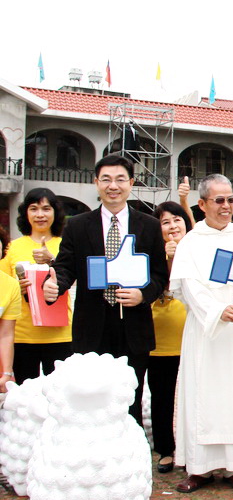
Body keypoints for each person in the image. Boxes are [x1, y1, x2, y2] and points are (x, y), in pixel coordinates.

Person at [44, 154, 169, 426]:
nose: (113, 186)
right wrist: (54, 284)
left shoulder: (148, 225)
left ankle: (130, 455)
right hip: (92, 325)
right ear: (96, 182)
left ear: (131, 183)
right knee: (93, 397)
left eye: (120, 179)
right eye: (106, 179)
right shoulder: (77, 225)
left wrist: (143, 294)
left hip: (133, 324)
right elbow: (65, 268)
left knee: (130, 396)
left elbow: (160, 274)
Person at [170, 174, 233, 493]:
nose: (226, 206)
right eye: (219, 200)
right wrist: (215, 311)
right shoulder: (191, 242)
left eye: (231, 200)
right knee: (204, 395)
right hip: (206, 333)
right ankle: (199, 467)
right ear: (201, 204)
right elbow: (189, 286)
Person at [0, 188, 72, 381]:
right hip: (22, 335)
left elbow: (77, 277)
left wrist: (53, 261)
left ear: (55, 213)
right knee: (24, 401)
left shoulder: (67, 245)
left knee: (58, 398)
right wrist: (18, 288)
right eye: (34, 208)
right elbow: (3, 288)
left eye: (46, 208)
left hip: (61, 335)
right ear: (26, 213)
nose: (40, 215)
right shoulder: (12, 247)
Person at [146, 201, 191, 474]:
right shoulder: (150, 254)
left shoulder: (196, 251)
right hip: (158, 341)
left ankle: (191, 448)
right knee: (161, 397)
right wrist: (166, 259)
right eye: (165, 222)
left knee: (190, 397)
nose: (173, 226)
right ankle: (165, 449)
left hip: (190, 338)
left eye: (177, 220)